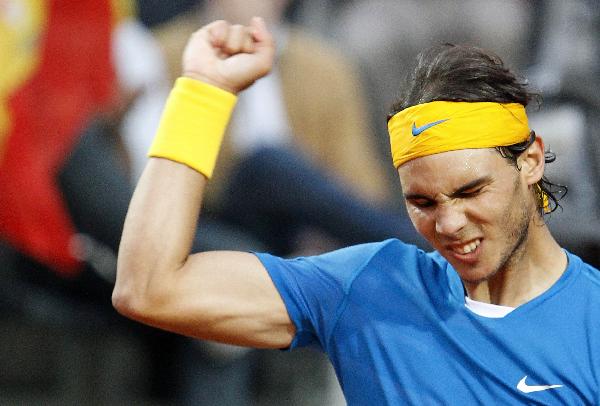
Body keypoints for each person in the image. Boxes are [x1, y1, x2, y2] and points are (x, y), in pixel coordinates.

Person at [112, 18, 600, 404]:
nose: (448, 224)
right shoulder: (368, 284)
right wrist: (202, 91)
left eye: (472, 191)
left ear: (530, 161)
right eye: (422, 203)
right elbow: (149, 287)